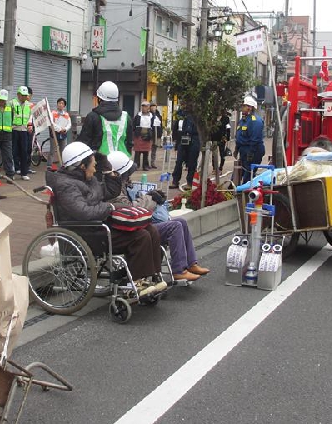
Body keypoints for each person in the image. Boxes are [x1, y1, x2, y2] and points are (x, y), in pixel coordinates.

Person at [46, 142, 166, 297]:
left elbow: (110, 191)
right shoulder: (66, 185)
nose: (95, 169)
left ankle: (152, 276)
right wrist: (109, 207)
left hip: (99, 227)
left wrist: (108, 170)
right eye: (93, 165)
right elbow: (83, 212)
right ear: (82, 166)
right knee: (140, 237)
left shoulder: (88, 180)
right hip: (86, 233)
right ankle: (137, 281)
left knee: (150, 229)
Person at [107, 151, 210, 282]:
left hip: (141, 222)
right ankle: (179, 270)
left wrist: (149, 194)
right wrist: (151, 198)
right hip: (134, 226)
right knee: (175, 226)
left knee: (182, 221)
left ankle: (191, 263)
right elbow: (132, 210)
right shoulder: (115, 191)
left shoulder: (123, 185)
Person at [77, 80, 132, 157]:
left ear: (99, 99)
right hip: (123, 160)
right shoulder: (126, 117)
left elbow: (84, 142)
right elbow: (129, 143)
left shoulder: (93, 116)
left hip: (100, 160)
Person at [234, 96, 265, 184]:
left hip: (253, 152)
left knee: (248, 176)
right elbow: (239, 136)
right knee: (238, 174)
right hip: (244, 151)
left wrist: (251, 153)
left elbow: (255, 139)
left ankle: (246, 190)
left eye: (244, 106)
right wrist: (237, 149)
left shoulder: (256, 121)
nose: (242, 108)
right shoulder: (242, 120)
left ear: (250, 108)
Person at [170, 105, 200, 190]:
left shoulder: (199, 112)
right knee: (179, 161)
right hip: (183, 138)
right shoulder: (182, 112)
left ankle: (189, 182)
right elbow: (177, 122)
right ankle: (175, 181)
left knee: (192, 162)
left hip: (194, 139)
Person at [11, 85, 32, 180]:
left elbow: (30, 116)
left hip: (24, 130)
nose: (24, 97)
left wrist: (30, 125)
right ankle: (12, 172)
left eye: (25, 95)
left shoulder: (29, 105)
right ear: (18, 94)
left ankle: (24, 173)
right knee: (13, 151)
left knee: (24, 151)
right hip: (14, 129)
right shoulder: (12, 103)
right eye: (22, 95)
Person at [132, 100, 154, 170]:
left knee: (146, 152)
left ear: (148, 107)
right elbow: (134, 125)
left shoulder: (152, 116)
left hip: (148, 134)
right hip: (139, 134)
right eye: (143, 106)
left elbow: (153, 126)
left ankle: (145, 166)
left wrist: (151, 134)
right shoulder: (138, 115)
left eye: (145, 106)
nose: (144, 108)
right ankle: (136, 165)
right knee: (137, 152)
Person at [149, 103, 163, 169]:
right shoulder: (149, 114)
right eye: (152, 107)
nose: (153, 108)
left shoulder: (159, 115)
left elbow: (161, 125)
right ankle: (146, 163)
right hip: (151, 133)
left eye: (154, 107)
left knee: (154, 149)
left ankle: (153, 162)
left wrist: (161, 133)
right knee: (148, 148)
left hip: (157, 134)